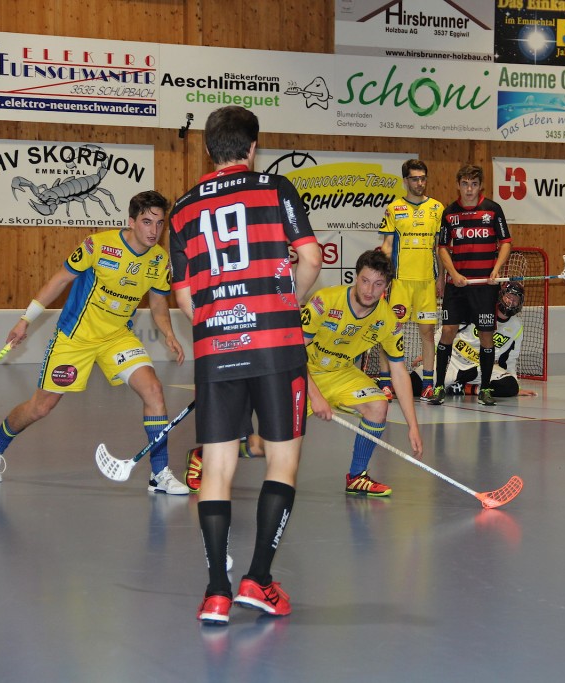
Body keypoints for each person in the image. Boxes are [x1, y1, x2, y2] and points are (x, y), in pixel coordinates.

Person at [169, 105, 323, 625]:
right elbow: (310, 256)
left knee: (216, 469)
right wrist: (288, 303)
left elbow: (184, 295)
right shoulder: (276, 188)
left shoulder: (184, 209)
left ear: (209, 151)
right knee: (282, 462)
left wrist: (217, 325)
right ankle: (258, 578)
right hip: (277, 345)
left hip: (216, 350)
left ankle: (216, 591)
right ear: (253, 147)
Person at [0, 190, 188, 495]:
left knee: (153, 389)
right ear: (130, 221)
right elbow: (59, 280)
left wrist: (168, 332)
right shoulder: (99, 245)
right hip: (76, 337)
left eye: (159, 224)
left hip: (117, 337)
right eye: (146, 222)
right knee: (41, 407)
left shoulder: (159, 260)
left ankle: (159, 473)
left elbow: (157, 303)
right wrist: (26, 319)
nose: (154, 231)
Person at [300, 249, 423, 496]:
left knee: (378, 406)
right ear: (356, 277)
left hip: (342, 373)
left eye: (378, 284)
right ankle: (205, 458)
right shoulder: (324, 301)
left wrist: (413, 425)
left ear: (386, 287)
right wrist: (314, 395)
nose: (369, 290)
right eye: (365, 281)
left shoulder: (387, 319)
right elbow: (293, 353)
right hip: (303, 372)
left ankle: (357, 476)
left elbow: (398, 371)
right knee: (273, 444)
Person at [428, 164, 512, 407]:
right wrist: (451, 274)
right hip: (458, 286)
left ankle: (485, 388)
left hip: (484, 287)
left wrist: (496, 270)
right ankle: (439, 387)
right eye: (464, 184)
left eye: (473, 184)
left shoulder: (493, 210)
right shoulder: (449, 213)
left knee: (486, 336)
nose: (469, 189)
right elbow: (442, 247)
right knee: (447, 332)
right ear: (458, 185)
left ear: (480, 186)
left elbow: (505, 242)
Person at [375, 159, 445, 403]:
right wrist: (384, 279)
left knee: (427, 333)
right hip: (400, 283)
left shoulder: (437, 208)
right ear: (405, 181)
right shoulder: (394, 209)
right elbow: (386, 246)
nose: (420, 182)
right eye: (415, 178)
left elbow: (440, 248)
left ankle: (427, 384)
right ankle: (385, 384)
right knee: (391, 333)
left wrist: (441, 279)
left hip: (426, 282)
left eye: (423, 178)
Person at [414, 282, 537, 399]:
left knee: (510, 386)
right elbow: (445, 331)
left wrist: (515, 387)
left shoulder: (516, 326)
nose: (511, 302)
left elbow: (511, 358)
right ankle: (451, 384)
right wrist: (432, 352)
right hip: (454, 360)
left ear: (520, 304)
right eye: (508, 297)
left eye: (515, 300)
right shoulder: (480, 309)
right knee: (414, 384)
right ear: (501, 295)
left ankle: (467, 389)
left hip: (480, 369)